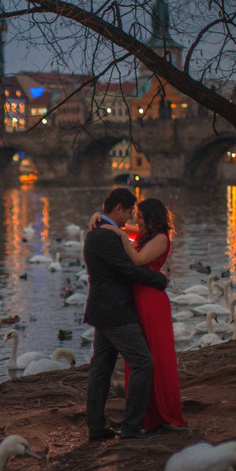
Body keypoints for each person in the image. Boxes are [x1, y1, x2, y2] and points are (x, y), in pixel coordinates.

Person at [93, 197, 187, 431]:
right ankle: (145, 415)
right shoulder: (144, 235)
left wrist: (122, 236)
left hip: (152, 303)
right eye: (137, 216)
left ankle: (161, 414)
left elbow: (137, 260)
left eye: (142, 217)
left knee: (154, 357)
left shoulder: (161, 239)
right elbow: (115, 225)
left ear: (152, 218)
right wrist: (97, 217)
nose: (137, 221)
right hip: (138, 301)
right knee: (141, 359)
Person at [83, 187, 168, 441]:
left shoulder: (100, 232)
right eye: (129, 212)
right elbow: (128, 271)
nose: (131, 218)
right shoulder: (105, 237)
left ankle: (96, 429)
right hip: (117, 311)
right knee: (143, 362)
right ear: (118, 208)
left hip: (103, 311)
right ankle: (131, 426)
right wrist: (159, 280)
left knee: (101, 369)